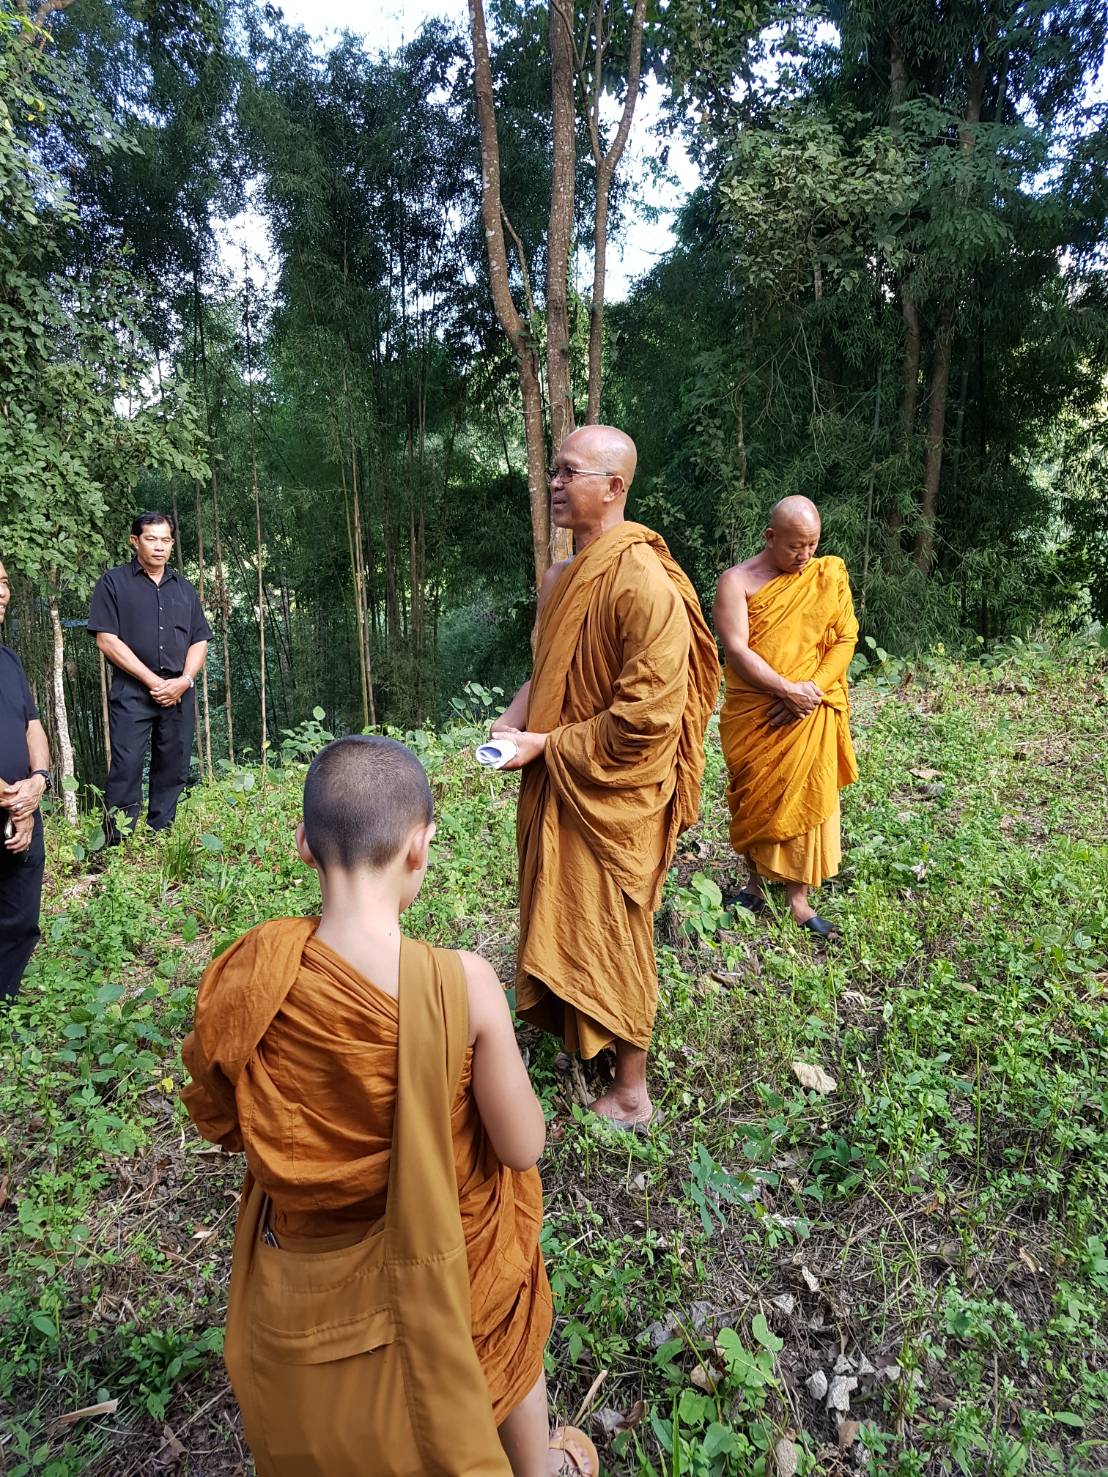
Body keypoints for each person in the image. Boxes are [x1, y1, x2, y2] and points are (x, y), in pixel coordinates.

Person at [180, 736, 597, 1477]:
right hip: (451, 1261)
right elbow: (522, 1146)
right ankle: (537, 1467)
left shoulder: (254, 977)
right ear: (418, 848)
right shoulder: (461, 985)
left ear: (304, 844)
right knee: (504, 1296)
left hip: (314, 1265)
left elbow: (221, 1114)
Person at [491, 426, 719, 1130]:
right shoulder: (559, 578)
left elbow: (647, 719)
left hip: (615, 791)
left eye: (569, 472)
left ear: (614, 486)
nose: (554, 483)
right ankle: (577, 1027)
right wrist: (512, 719)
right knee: (563, 908)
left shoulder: (644, 583)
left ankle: (630, 1088)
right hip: (556, 777)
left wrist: (545, 744)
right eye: (554, 471)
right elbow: (546, 670)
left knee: (615, 926)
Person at [713, 495, 859, 939]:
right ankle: (754, 886)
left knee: (805, 793)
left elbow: (846, 638)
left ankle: (798, 901)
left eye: (812, 544)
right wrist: (784, 689)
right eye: (796, 546)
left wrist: (808, 691)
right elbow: (736, 650)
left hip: (809, 708)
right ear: (770, 537)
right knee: (755, 791)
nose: (805, 555)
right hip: (757, 711)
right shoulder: (737, 582)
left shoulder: (827, 575)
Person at [86, 512, 211, 842]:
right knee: (126, 766)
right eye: (151, 539)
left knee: (174, 766)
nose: (159, 547)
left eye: (165, 540)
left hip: (178, 690)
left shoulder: (184, 589)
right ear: (135, 541)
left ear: (172, 544)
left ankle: (161, 836)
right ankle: (117, 842)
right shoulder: (113, 583)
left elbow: (199, 640)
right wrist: (152, 681)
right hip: (132, 690)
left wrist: (184, 680)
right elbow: (106, 639)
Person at [0, 559, 52, 1002]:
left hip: (21, 809)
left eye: (3, 583)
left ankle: (6, 1003)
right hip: (13, 807)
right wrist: (15, 803)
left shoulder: (8, 659)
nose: (2, 593)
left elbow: (32, 726)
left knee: (20, 916)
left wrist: (38, 782)